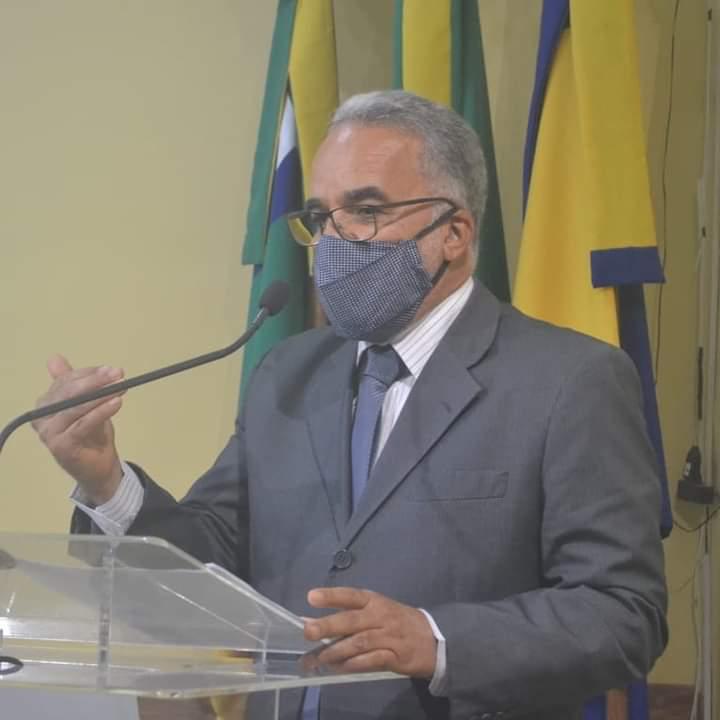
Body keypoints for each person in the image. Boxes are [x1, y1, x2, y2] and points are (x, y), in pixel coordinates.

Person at [34, 90, 667, 720]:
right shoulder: (288, 375)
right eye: (320, 216)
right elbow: (210, 562)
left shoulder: (569, 380)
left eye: (365, 211)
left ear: (453, 233)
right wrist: (106, 482)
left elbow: (624, 612)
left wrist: (437, 640)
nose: (333, 240)